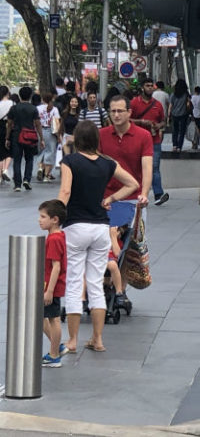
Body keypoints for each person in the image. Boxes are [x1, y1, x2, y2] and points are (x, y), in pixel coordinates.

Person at [58, 121, 139, 354]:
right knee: (95, 283)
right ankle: (98, 339)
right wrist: (111, 199)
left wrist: (55, 215)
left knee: (75, 282)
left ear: (78, 140)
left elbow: (65, 191)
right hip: (101, 227)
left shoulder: (70, 162)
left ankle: (72, 340)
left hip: (75, 226)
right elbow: (132, 184)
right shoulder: (107, 163)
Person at [99, 95, 153, 313]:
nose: (116, 115)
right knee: (106, 245)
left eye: (120, 111)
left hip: (133, 199)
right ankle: (104, 285)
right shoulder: (102, 135)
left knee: (129, 248)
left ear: (130, 112)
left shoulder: (143, 136)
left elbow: (147, 167)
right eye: (112, 111)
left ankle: (120, 290)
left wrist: (145, 193)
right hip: (105, 199)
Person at [131, 78, 169, 206]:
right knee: (136, 167)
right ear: (142, 87)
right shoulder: (135, 103)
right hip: (137, 140)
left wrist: (159, 125)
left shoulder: (157, 104)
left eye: (151, 86)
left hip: (154, 140)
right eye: (147, 86)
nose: (150, 88)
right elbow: (128, 119)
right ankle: (136, 192)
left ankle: (158, 194)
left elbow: (164, 121)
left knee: (155, 167)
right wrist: (141, 122)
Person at [39, 199, 67, 368]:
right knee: (44, 317)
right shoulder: (56, 236)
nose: (39, 220)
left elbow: (56, 266)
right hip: (50, 284)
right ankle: (57, 347)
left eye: (43, 217)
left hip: (52, 286)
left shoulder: (53, 239)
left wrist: (49, 291)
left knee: (53, 319)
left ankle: (54, 354)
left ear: (54, 219)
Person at [5, 86, 44, 191]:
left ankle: (17, 184)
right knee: (29, 158)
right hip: (30, 136)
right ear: (30, 96)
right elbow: (38, 124)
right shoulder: (33, 108)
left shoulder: (14, 108)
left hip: (16, 136)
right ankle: (27, 179)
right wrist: (42, 138)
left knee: (17, 160)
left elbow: (9, 124)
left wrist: (7, 138)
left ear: (20, 95)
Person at [37, 93, 60, 182]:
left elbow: (35, 121)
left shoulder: (38, 108)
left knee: (41, 151)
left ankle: (40, 168)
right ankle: (46, 175)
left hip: (40, 131)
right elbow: (57, 122)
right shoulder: (54, 109)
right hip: (51, 132)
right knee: (50, 152)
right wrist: (59, 136)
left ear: (43, 99)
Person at [169, 79, 190, 152]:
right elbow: (188, 104)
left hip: (174, 115)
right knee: (182, 131)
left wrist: (169, 115)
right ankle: (179, 147)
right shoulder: (186, 94)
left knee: (175, 130)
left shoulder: (173, 94)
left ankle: (174, 145)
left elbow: (171, 105)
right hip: (183, 115)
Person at [0, 85, 13, 183]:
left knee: (1, 153)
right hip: (8, 126)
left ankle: (0, 176)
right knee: (9, 151)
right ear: (7, 93)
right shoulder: (12, 103)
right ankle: (5, 169)